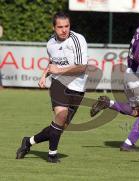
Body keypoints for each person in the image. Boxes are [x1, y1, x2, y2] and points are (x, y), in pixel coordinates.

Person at [90, 2, 139, 151]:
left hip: (130, 75)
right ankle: (128, 144)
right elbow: (138, 54)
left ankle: (109, 104)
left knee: (137, 112)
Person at [16, 12, 88, 163]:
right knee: (61, 115)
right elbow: (52, 62)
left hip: (78, 87)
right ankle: (52, 154)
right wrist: (45, 75)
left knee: (61, 126)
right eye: (60, 27)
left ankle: (28, 142)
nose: (64, 30)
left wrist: (56, 70)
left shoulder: (77, 40)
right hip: (59, 83)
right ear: (53, 27)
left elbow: (82, 68)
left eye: (66, 26)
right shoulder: (50, 43)